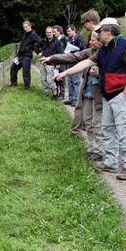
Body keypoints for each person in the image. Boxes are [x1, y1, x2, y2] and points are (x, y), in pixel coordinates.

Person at [56, 18, 126, 181]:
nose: (98, 33)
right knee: (107, 129)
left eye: (100, 31)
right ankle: (110, 162)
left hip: (120, 95)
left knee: (124, 131)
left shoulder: (125, 46)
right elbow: (86, 62)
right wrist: (66, 73)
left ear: (108, 31)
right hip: (107, 95)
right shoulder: (103, 50)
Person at [41, 31, 103, 161]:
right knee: (88, 121)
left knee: (98, 123)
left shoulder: (106, 53)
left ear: (100, 40)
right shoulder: (90, 52)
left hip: (100, 92)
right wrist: (52, 59)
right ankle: (92, 148)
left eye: (92, 39)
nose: (90, 42)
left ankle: (99, 150)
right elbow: (72, 57)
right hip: (87, 90)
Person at [10, 20, 41, 89]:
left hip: (27, 56)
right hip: (20, 56)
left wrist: (36, 49)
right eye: (24, 27)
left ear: (30, 26)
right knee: (13, 68)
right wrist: (17, 55)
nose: (25, 28)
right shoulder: (25, 34)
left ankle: (27, 87)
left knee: (25, 72)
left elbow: (40, 41)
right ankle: (13, 84)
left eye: (26, 27)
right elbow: (22, 46)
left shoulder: (33, 34)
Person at [64, 24, 86, 106]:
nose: (68, 33)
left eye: (69, 31)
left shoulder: (79, 39)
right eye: (67, 31)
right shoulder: (69, 39)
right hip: (70, 62)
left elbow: (83, 49)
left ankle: (75, 99)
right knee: (70, 81)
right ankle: (70, 98)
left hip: (76, 62)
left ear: (74, 30)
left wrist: (74, 51)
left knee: (75, 81)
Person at [37, 26, 60, 96]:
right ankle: (46, 94)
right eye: (47, 32)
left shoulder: (57, 42)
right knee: (43, 79)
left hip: (51, 63)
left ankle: (55, 92)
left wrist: (58, 64)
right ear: (45, 33)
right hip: (43, 63)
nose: (48, 34)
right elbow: (35, 46)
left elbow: (60, 53)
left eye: (50, 32)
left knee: (50, 80)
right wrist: (39, 53)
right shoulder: (43, 41)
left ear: (53, 33)